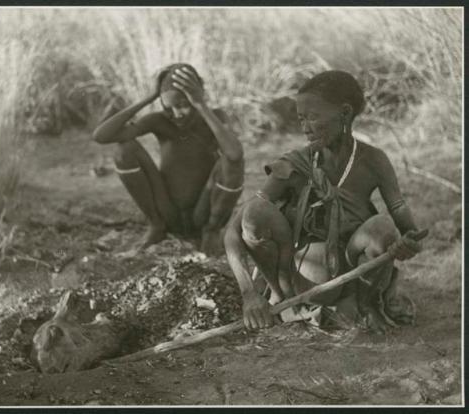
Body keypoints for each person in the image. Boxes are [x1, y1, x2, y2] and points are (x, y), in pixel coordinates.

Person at [224, 70, 424, 333]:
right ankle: (282, 300)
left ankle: (364, 306)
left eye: (313, 117)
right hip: (295, 281)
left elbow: (403, 221)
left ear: (344, 112)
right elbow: (234, 230)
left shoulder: (374, 161)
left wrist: (409, 243)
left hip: (351, 276)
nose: (305, 127)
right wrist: (249, 295)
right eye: (301, 118)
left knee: (382, 227)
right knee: (256, 212)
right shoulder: (294, 164)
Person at [93, 63, 244, 255]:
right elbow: (101, 136)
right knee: (125, 149)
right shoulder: (160, 120)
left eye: (183, 105)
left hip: (202, 214)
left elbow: (235, 154)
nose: (176, 114)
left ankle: (212, 232)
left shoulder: (214, 118)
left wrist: (201, 105)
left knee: (230, 163)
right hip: (168, 212)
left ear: (198, 95)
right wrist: (149, 98)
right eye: (168, 107)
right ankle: (156, 226)